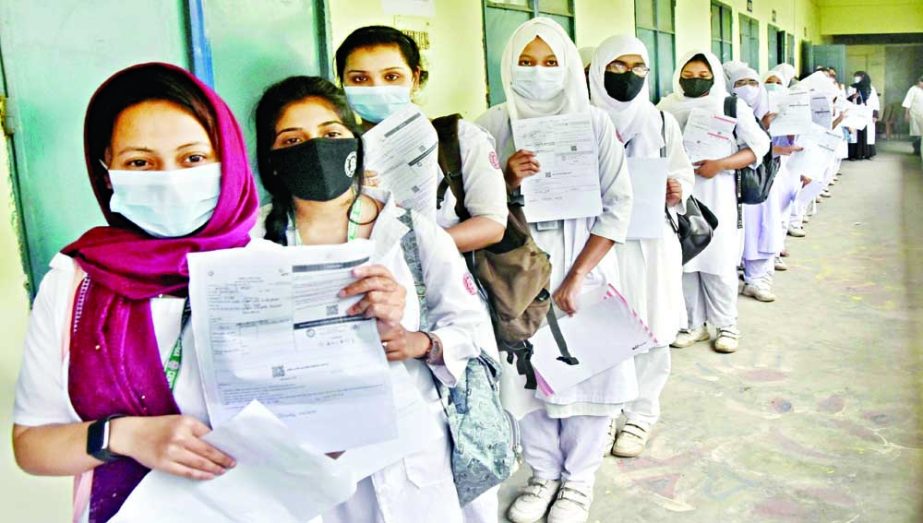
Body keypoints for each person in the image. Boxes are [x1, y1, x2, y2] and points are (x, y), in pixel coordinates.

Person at [10, 62, 262, 523]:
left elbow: (334, 436)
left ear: (229, 159)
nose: (169, 178)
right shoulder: (75, 280)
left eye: (192, 158)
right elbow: (31, 445)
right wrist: (125, 437)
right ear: (108, 175)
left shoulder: (272, 270)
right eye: (139, 163)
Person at [253, 75, 490, 523]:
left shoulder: (412, 233)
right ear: (273, 159)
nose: (316, 148)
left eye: (331, 134)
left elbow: (472, 329)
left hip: (412, 452)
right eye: (293, 139)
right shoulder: (252, 244)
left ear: (355, 144)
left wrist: (419, 342)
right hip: (310, 458)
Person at [334, 26, 509, 522]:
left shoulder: (460, 139)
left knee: (462, 435)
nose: (375, 87)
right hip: (367, 313)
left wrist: (411, 244)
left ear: (416, 78)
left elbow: (492, 223)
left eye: (390, 75)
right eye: (359, 78)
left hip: (446, 298)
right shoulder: (334, 150)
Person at [476, 17, 634, 523]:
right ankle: (542, 475)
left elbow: (619, 204)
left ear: (568, 67)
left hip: (579, 268)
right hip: (513, 277)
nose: (538, 73)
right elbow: (468, 206)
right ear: (508, 66)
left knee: (589, 378)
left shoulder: (593, 123)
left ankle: (578, 482)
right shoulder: (490, 125)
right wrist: (505, 178)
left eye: (550, 63)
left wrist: (577, 276)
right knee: (528, 380)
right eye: (526, 62)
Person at [588, 35, 694, 458]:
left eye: (638, 68)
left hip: (651, 244)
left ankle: (640, 414)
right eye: (617, 66)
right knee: (604, 328)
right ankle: (606, 411)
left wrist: (677, 187)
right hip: (597, 245)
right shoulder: (582, 119)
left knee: (652, 328)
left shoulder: (661, 121)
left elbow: (683, 170)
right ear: (598, 70)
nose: (628, 76)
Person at [659, 50, 770, 353]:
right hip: (677, 195)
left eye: (704, 76)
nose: (696, 81)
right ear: (678, 75)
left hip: (718, 193)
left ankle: (726, 326)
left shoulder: (730, 105)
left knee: (718, 263)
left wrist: (720, 164)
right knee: (685, 262)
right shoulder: (666, 107)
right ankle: (691, 324)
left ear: (715, 77)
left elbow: (759, 146)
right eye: (689, 76)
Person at [847, 71, 880, 160]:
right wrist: (852, 97)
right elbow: (846, 100)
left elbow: (875, 102)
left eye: (857, 76)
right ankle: (854, 154)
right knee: (855, 134)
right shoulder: (851, 87)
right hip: (855, 112)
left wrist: (875, 115)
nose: (856, 78)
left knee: (868, 133)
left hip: (867, 113)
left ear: (863, 77)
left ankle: (868, 153)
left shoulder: (871, 88)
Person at [902, 75, 923, 156]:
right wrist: (906, 114)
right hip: (915, 115)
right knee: (916, 134)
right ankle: (917, 150)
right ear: (919, 82)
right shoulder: (913, 89)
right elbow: (907, 102)